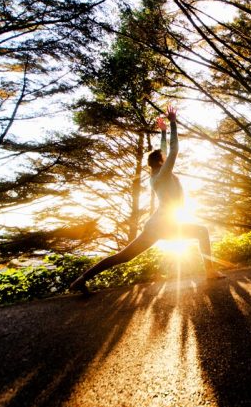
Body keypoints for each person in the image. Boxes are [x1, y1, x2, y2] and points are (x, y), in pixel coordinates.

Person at [70, 107, 224, 294]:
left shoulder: (158, 174)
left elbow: (165, 151)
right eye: (163, 158)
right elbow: (173, 150)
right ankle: (209, 271)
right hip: (163, 225)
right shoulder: (163, 175)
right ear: (160, 162)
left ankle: (81, 279)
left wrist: (164, 131)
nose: (166, 157)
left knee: (124, 256)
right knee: (201, 232)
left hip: (159, 225)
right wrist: (173, 123)